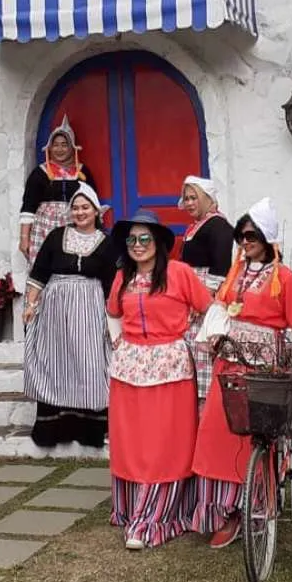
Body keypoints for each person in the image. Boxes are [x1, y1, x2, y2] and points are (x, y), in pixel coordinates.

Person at [190, 199, 292, 547]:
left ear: (266, 238)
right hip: (230, 364)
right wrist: (215, 333)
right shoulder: (236, 273)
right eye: (241, 237)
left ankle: (258, 504)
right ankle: (227, 510)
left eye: (251, 236)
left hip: (263, 369)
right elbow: (220, 307)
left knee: (255, 438)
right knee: (219, 432)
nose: (244, 243)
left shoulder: (284, 278)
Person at [106, 210, 212, 550]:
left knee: (164, 441)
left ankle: (154, 515)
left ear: (158, 243)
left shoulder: (179, 273)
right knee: (132, 440)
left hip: (169, 367)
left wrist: (197, 341)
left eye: (145, 239)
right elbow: (112, 314)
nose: (138, 245)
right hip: (129, 367)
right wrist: (118, 343)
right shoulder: (122, 276)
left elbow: (209, 309)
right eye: (132, 240)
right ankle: (129, 507)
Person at [22, 183, 116, 449]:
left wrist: (112, 319)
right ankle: (55, 428)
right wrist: (30, 304)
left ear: (96, 211)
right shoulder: (56, 237)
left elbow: (112, 283)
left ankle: (90, 429)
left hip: (90, 307)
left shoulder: (107, 243)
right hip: (56, 310)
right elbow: (39, 273)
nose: (79, 212)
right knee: (56, 361)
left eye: (85, 207)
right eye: (75, 207)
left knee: (89, 361)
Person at [178, 176, 234, 404]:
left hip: (205, 298)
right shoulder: (197, 225)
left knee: (202, 350)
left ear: (207, 199)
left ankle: (205, 410)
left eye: (194, 198)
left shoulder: (218, 225)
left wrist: (199, 300)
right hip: (192, 292)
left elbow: (220, 269)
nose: (189, 203)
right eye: (186, 198)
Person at [19, 115, 96, 264]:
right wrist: (24, 238)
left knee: (74, 266)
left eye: (64, 144)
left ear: (72, 147)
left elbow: (93, 205)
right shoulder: (40, 173)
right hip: (44, 228)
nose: (59, 149)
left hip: (76, 225)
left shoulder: (82, 172)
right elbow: (28, 207)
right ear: (49, 147)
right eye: (55, 145)